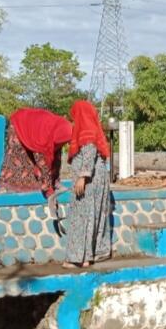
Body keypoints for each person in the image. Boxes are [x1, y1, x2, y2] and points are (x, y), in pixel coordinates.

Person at [63, 100, 113, 269]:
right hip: (99, 177)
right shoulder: (93, 128)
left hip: (89, 179)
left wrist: (82, 176)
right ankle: (89, 256)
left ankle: (78, 257)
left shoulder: (85, 129)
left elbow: (89, 152)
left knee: (81, 215)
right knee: (93, 214)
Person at [0, 108, 73, 198]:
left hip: (38, 127)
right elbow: (42, 161)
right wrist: (48, 188)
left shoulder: (62, 129)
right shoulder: (45, 136)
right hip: (20, 124)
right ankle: (8, 184)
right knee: (19, 157)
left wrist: (54, 180)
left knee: (55, 155)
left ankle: (50, 182)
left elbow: (55, 157)